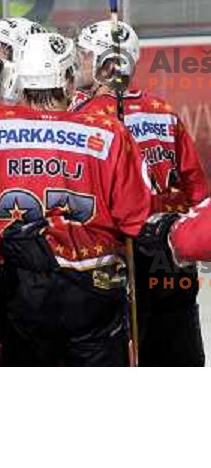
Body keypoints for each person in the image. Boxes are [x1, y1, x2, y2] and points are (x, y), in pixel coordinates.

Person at [0, 34, 152, 366]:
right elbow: (135, 217)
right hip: (92, 288)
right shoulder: (109, 132)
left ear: (20, 79)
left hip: (19, 287)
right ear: (70, 81)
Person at [73, 20, 208, 366]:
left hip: (124, 257)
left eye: (85, 55)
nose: (78, 62)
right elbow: (196, 188)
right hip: (171, 251)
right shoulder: (163, 111)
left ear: (108, 64)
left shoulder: (84, 119)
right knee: (179, 352)